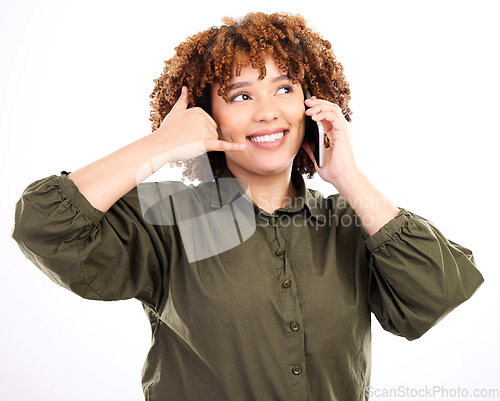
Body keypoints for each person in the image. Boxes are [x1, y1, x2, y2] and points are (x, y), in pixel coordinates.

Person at [12, 11, 483, 401]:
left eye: (284, 89)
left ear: (311, 103)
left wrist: (349, 178)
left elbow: (437, 292)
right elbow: (44, 222)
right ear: (207, 117)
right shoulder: (169, 218)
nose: (267, 112)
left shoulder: (349, 223)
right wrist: (159, 145)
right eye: (240, 96)